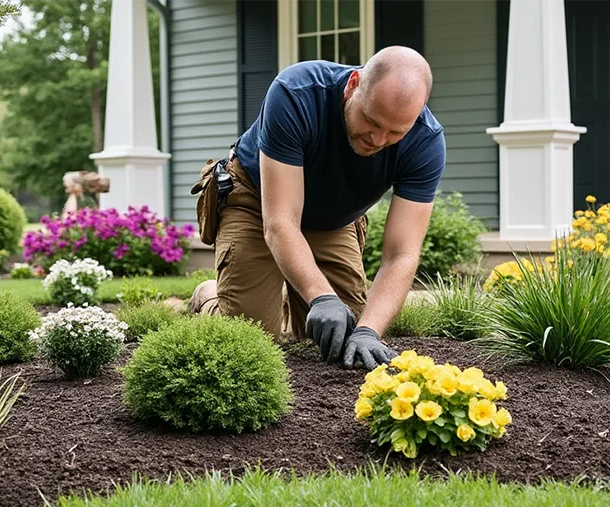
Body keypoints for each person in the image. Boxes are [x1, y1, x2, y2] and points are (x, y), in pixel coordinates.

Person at [188, 45, 446, 371]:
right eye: (370, 120)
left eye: (396, 132)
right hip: (258, 201)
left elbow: (401, 255)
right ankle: (210, 295)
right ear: (353, 84)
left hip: (332, 219)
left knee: (344, 336)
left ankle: (281, 299)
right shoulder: (296, 93)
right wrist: (322, 297)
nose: (379, 140)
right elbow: (280, 221)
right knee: (248, 339)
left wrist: (370, 331)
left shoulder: (426, 141)